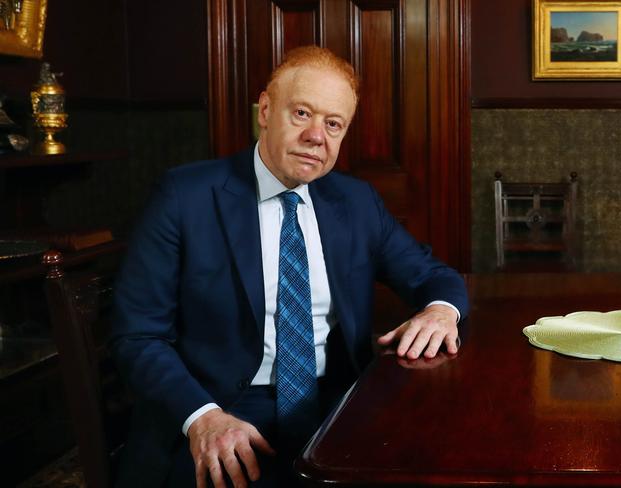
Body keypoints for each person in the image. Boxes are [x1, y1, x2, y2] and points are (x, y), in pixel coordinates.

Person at [110, 45, 469, 488]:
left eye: (333, 124)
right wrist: (202, 418)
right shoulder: (185, 197)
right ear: (265, 110)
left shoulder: (356, 203)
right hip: (221, 409)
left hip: (336, 405)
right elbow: (138, 335)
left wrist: (439, 310)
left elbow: (434, 276)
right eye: (302, 113)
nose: (317, 136)